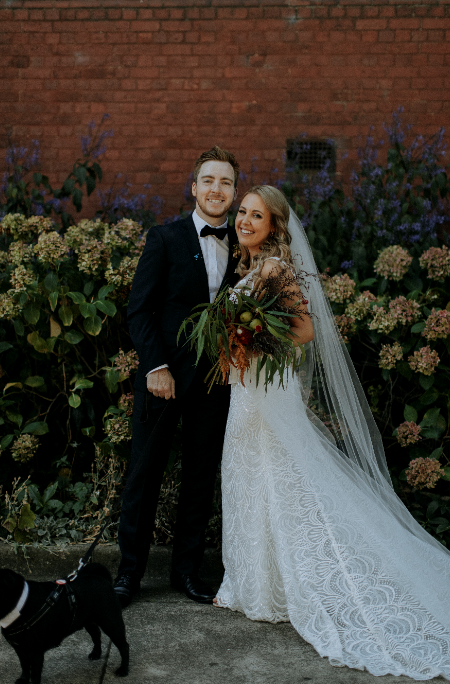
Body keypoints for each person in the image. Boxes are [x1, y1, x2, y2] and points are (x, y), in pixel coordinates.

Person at [214, 185, 450, 680]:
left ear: (275, 226)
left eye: (257, 215)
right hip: (245, 391)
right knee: (251, 478)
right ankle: (257, 584)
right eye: (243, 213)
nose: (245, 221)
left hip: (265, 394)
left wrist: (251, 339)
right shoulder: (250, 270)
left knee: (285, 479)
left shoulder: (275, 269)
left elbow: (303, 330)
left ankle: (300, 582)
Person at [114, 146, 241, 608]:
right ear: (194, 187)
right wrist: (156, 366)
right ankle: (128, 575)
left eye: (225, 182)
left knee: (200, 479)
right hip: (161, 381)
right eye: (209, 180)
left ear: (234, 191)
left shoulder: (245, 250)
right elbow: (139, 310)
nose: (216, 189)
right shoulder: (164, 238)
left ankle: (185, 573)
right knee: (143, 478)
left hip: (216, 384)